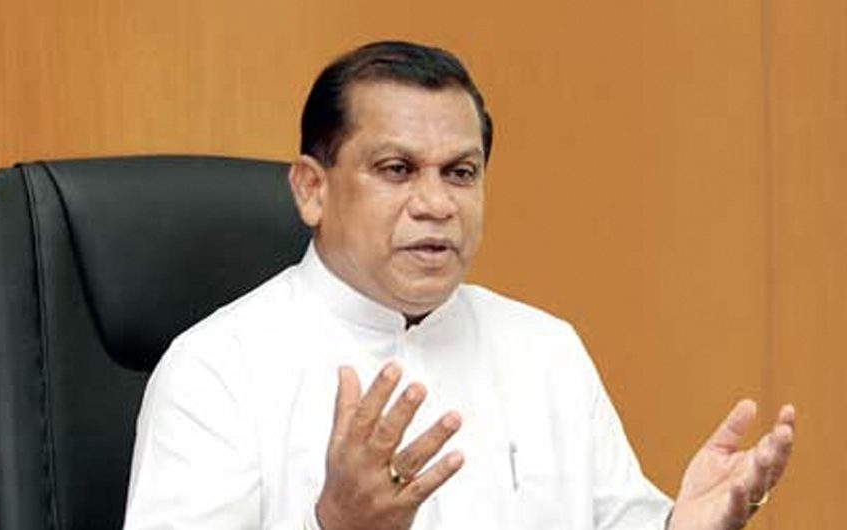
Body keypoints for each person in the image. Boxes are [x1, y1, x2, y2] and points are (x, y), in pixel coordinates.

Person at [123, 41, 795, 530]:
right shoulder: (218, 369)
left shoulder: (545, 350)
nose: (437, 204)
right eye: (397, 169)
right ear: (311, 189)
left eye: (460, 173)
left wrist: (681, 527)